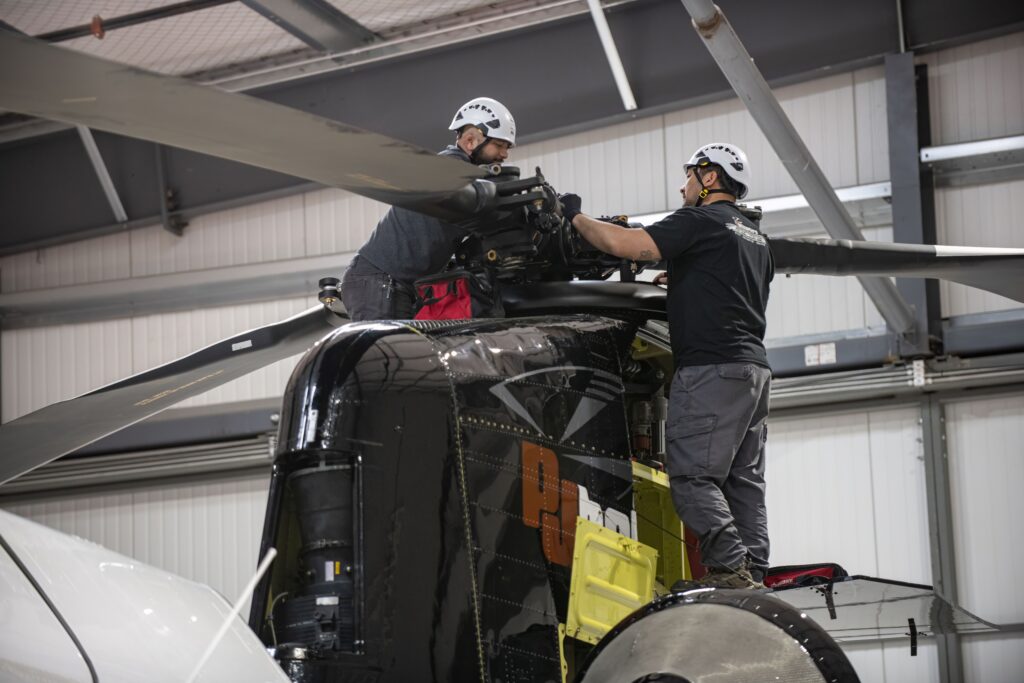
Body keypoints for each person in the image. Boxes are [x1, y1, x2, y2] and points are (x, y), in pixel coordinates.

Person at [560, 143, 773, 589]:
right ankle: (754, 571)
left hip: (711, 367)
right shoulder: (755, 239)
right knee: (743, 481)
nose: (684, 185)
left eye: (689, 176)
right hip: (753, 372)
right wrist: (681, 277)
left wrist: (574, 217)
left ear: (709, 177)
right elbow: (726, 286)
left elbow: (625, 245)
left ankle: (729, 569)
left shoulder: (699, 220)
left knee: (694, 475)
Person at [340, 97, 516, 321]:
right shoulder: (445, 169)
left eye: (507, 148)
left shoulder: (470, 187)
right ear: (471, 141)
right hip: (379, 280)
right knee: (392, 354)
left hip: (399, 285)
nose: (504, 155)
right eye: (499, 145)